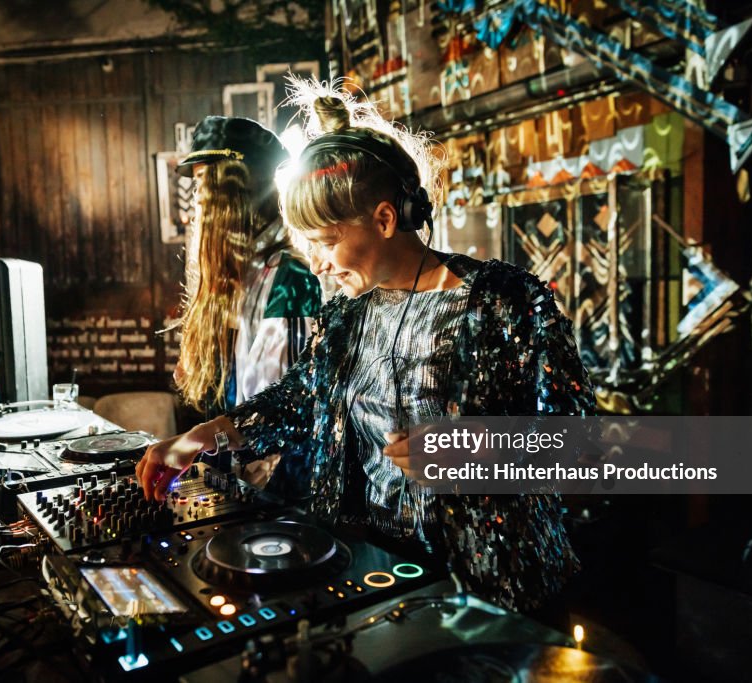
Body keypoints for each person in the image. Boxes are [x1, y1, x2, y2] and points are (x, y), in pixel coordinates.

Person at [140, 82, 593, 611]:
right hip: (376, 575)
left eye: (327, 241)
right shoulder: (346, 315)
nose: (316, 262)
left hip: (494, 589)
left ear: (384, 219)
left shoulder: (503, 299)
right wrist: (205, 436)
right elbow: (295, 403)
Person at [172, 116, 321, 487]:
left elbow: (275, 420)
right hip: (233, 486)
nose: (197, 205)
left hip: (276, 503)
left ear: (233, 196)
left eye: (206, 186)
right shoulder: (231, 277)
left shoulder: (290, 280)